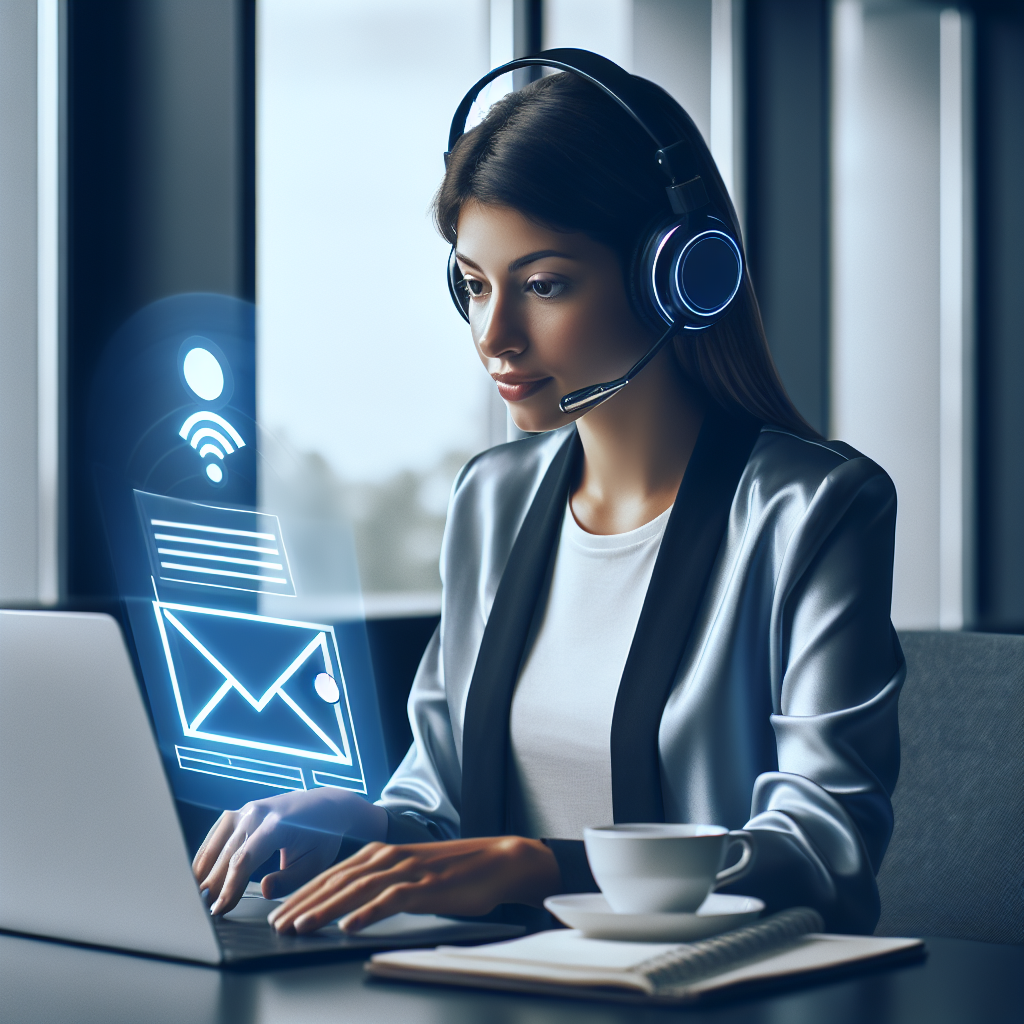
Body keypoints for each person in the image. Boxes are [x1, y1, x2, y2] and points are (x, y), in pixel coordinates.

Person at [192, 55, 903, 939]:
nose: (495, 334)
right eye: (475, 286)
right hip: (508, 980)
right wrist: (367, 826)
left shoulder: (814, 510)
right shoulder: (493, 500)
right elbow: (444, 800)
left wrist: (544, 864)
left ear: (681, 276)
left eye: (543, 285)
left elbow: (821, 849)